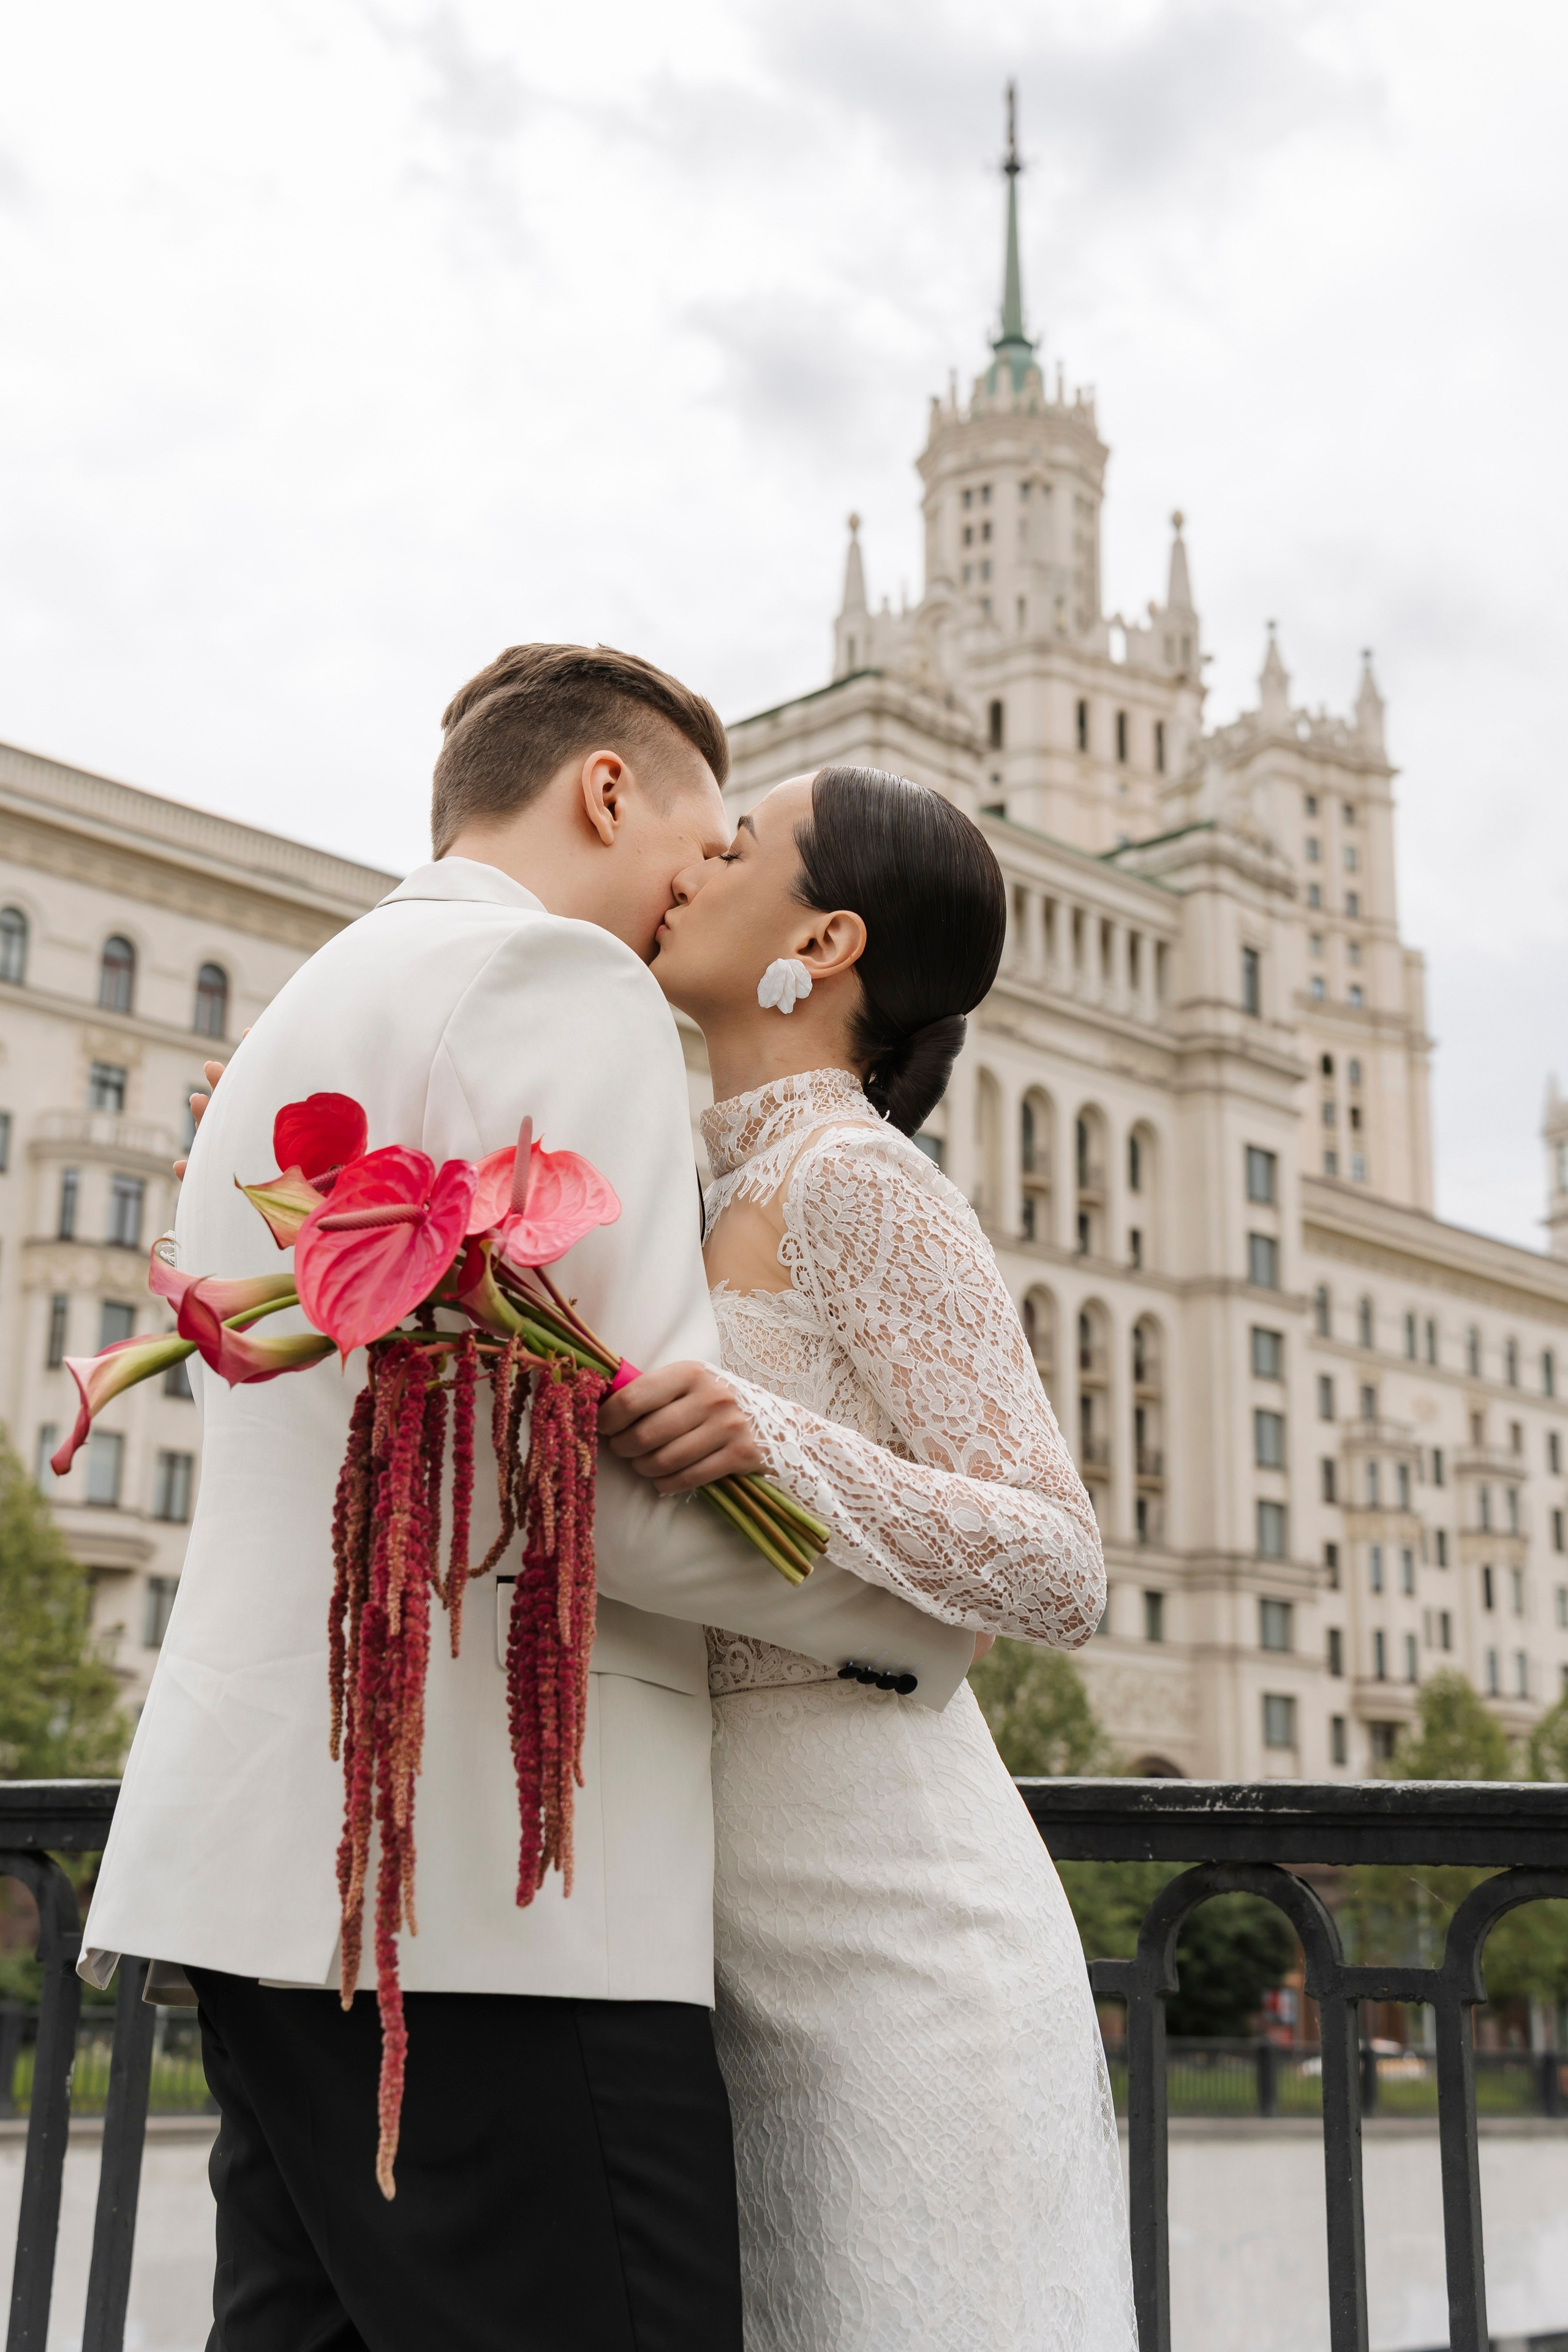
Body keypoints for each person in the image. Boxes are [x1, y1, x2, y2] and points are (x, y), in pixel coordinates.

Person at [80, 654, 975, 2352]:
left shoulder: (308, 1006)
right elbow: (593, 1502)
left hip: (255, 1872)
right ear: (608, 794)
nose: (696, 894)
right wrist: (912, 1628)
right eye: (704, 845)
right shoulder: (561, 979)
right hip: (494, 1902)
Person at [600, 765, 1137, 2351]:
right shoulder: (700, 1181)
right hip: (740, 1957)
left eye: (736, 849)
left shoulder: (855, 1176)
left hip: (911, 1950)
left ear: (823, 942)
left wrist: (781, 1444)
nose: (693, 867)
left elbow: (1061, 1564)